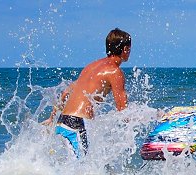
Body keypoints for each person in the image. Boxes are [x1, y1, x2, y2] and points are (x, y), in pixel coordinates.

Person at [42, 28, 132, 158]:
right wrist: (151, 117)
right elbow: (123, 110)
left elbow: (66, 92)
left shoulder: (92, 66)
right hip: (76, 125)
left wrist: (52, 117)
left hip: (63, 122)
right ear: (125, 49)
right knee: (81, 170)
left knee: (80, 168)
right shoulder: (115, 72)